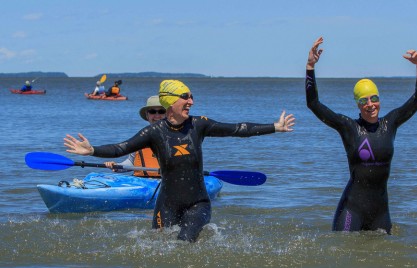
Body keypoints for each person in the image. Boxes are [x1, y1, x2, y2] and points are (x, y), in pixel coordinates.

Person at [64, 79, 295, 242]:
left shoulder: (199, 124)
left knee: (184, 243)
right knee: (156, 246)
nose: (191, 101)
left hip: (198, 203)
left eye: (191, 96)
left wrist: (275, 127)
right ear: (170, 101)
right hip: (166, 204)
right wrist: (92, 149)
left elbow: (238, 129)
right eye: (185, 97)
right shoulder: (154, 133)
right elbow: (120, 148)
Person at [305, 36, 417, 234]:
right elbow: (313, 104)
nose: (370, 105)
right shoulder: (349, 127)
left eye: (374, 98)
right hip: (352, 209)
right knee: (343, 253)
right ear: (358, 104)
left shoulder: (391, 123)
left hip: (380, 210)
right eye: (364, 101)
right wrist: (310, 66)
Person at [104, 95, 166, 178]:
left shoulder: (177, 137)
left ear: (167, 114)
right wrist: (117, 166)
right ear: (147, 115)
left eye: (161, 111)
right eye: (152, 111)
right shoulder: (141, 137)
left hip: (165, 184)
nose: (157, 115)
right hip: (141, 183)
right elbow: (131, 162)